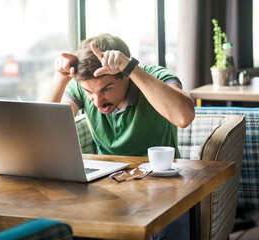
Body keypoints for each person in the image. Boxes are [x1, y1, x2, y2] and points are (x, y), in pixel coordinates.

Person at [40, 33, 195, 239]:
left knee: (176, 219)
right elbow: (42, 126)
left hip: (160, 187)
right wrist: (60, 76)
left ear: (125, 75)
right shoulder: (81, 87)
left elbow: (184, 116)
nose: (97, 101)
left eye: (107, 89)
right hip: (108, 188)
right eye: (89, 92)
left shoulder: (153, 75)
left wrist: (131, 68)